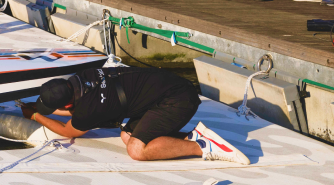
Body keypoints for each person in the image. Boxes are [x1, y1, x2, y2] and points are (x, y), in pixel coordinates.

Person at [21, 67, 249, 164]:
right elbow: (75, 108)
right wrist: (42, 108)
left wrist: (34, 116)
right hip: (168, 87)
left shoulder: (89, 109)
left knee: (137, 150)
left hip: (177, 100)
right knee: (126, 135)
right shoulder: (83, 77)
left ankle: (202, 145)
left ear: (70, 102)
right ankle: (189, 137)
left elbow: (67, 130)